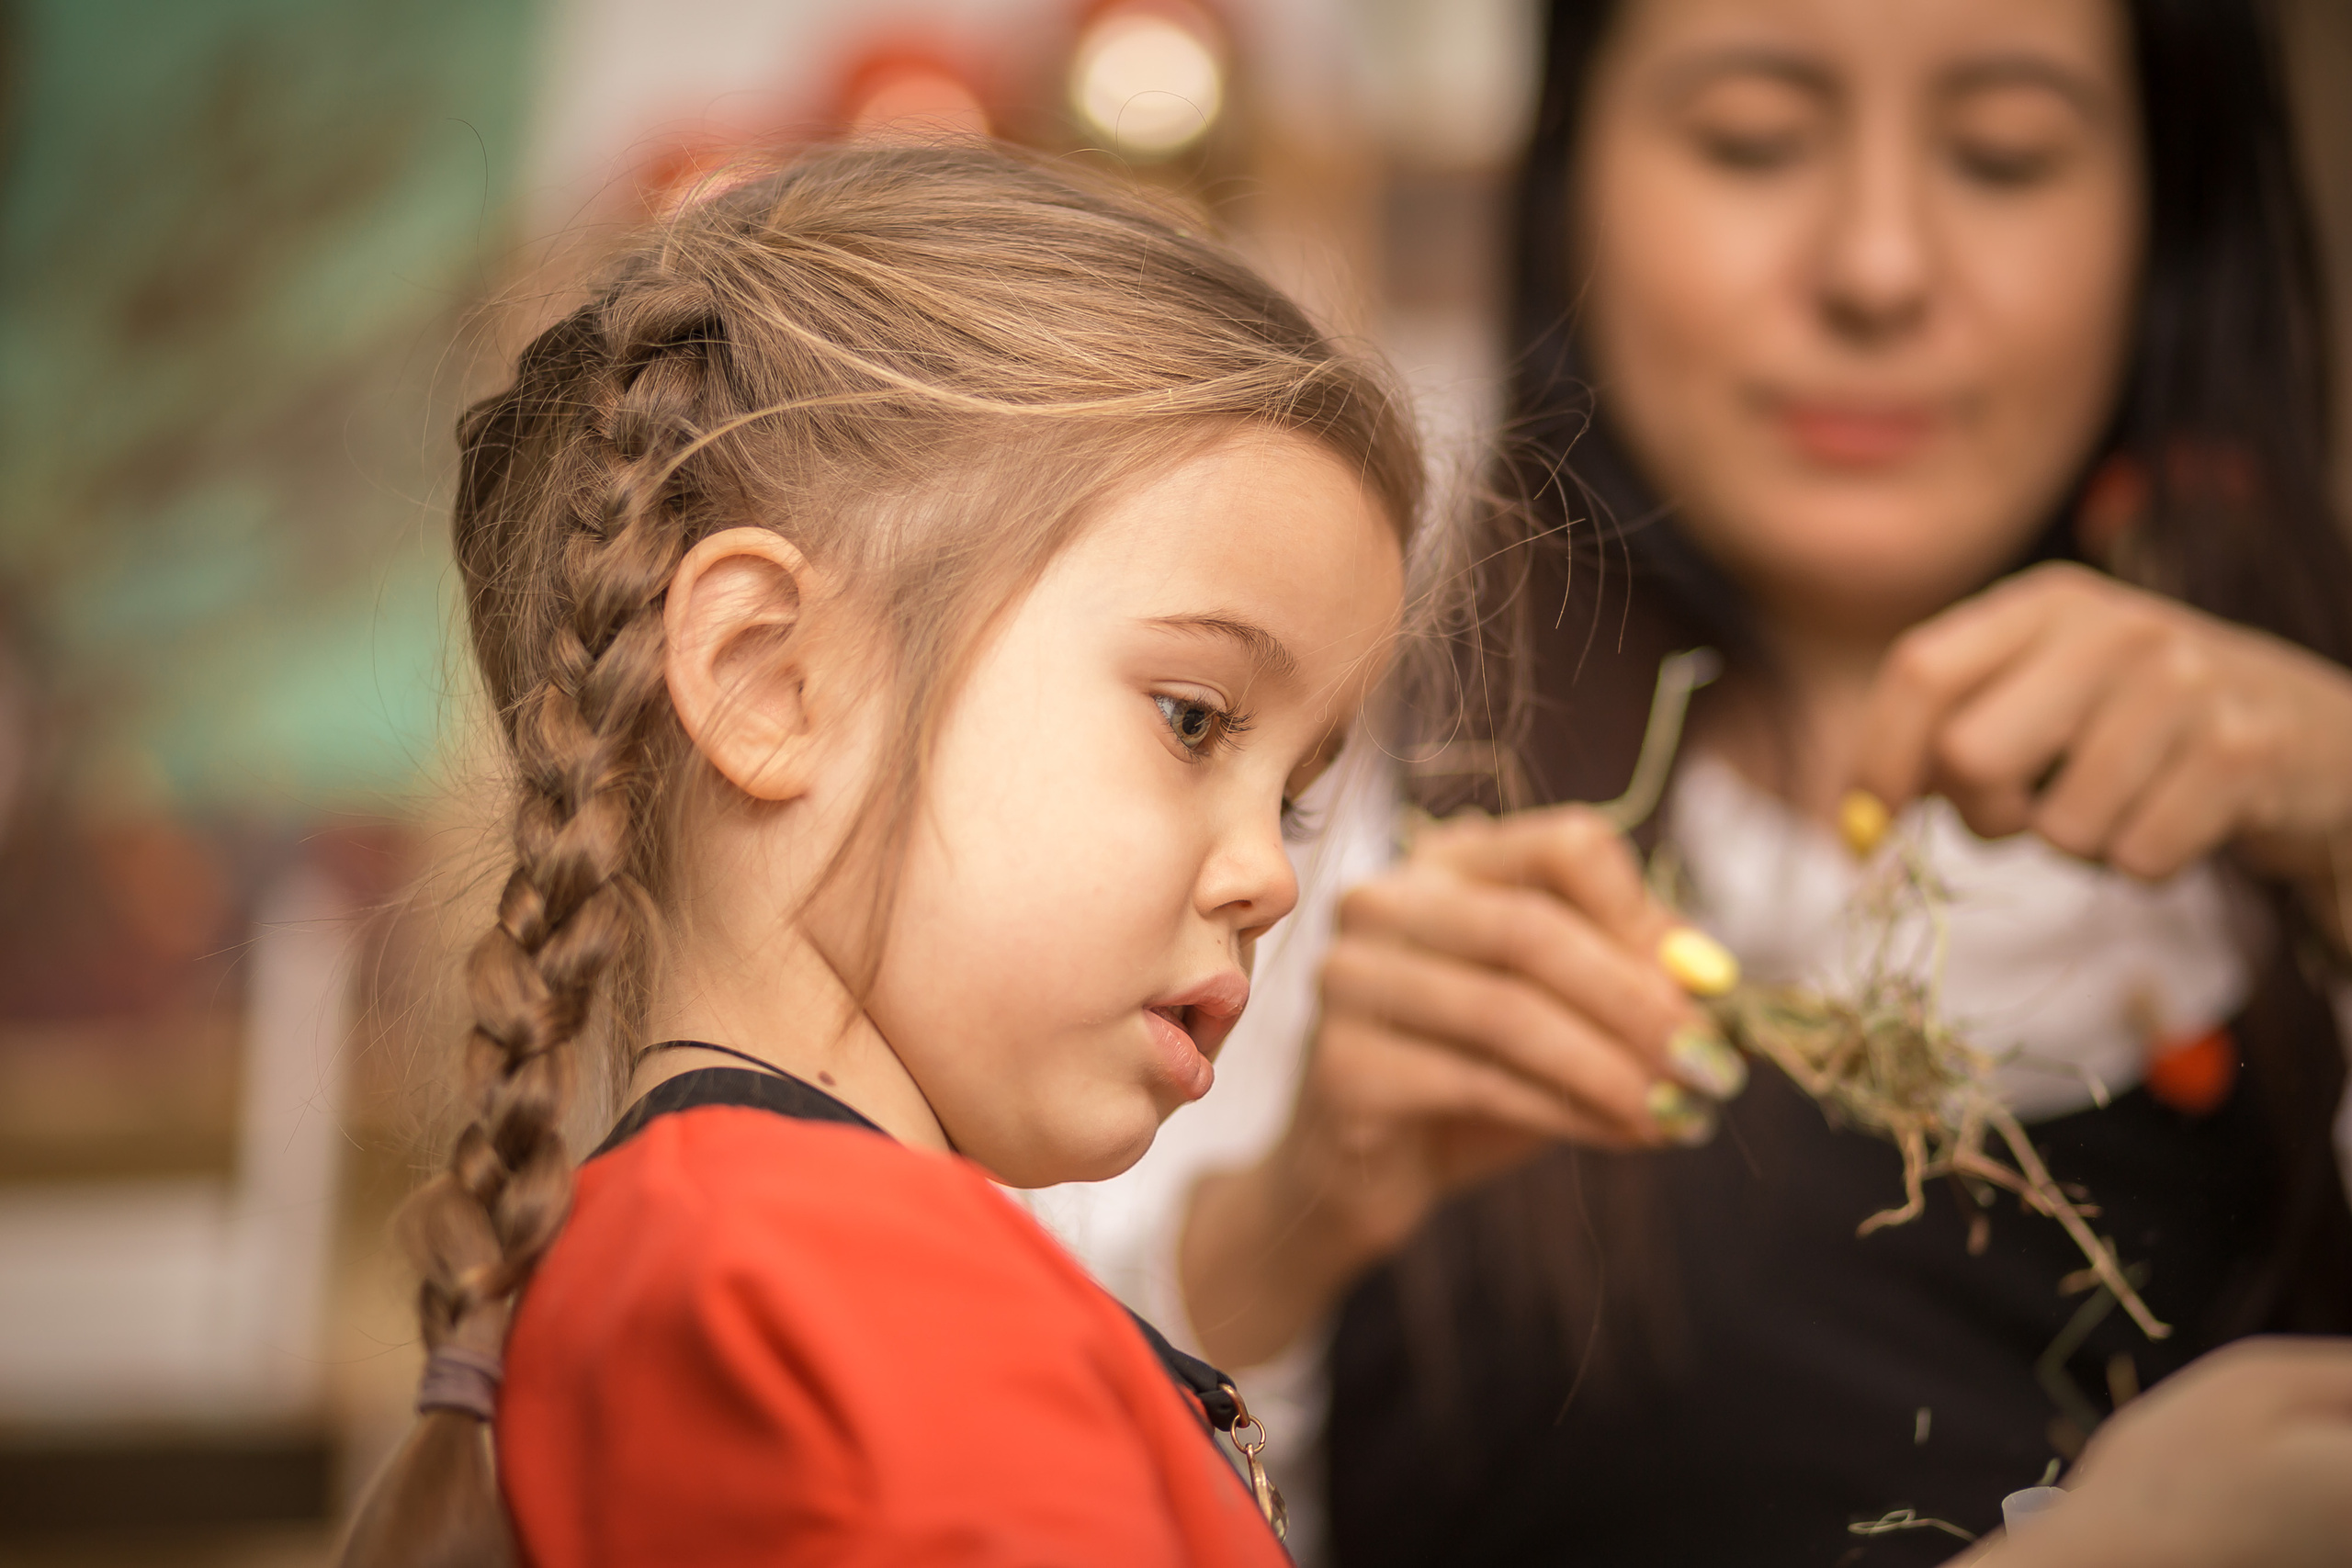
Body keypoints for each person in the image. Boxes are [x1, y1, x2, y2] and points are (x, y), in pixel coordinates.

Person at [1033, 1, 2352, 1563]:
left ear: (2169, 199)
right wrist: (1285, 1221)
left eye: (2004, 158)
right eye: (1753, 142)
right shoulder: (1317, 769)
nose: (1877, 267)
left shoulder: (2306, 811)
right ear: (1573, 168)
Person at [334, 141, 1422, 1567]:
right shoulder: (797, 1290)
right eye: (1194, 719)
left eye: (1291, 795)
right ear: (768, 677)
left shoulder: (748, 1259)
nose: (1271, 878)